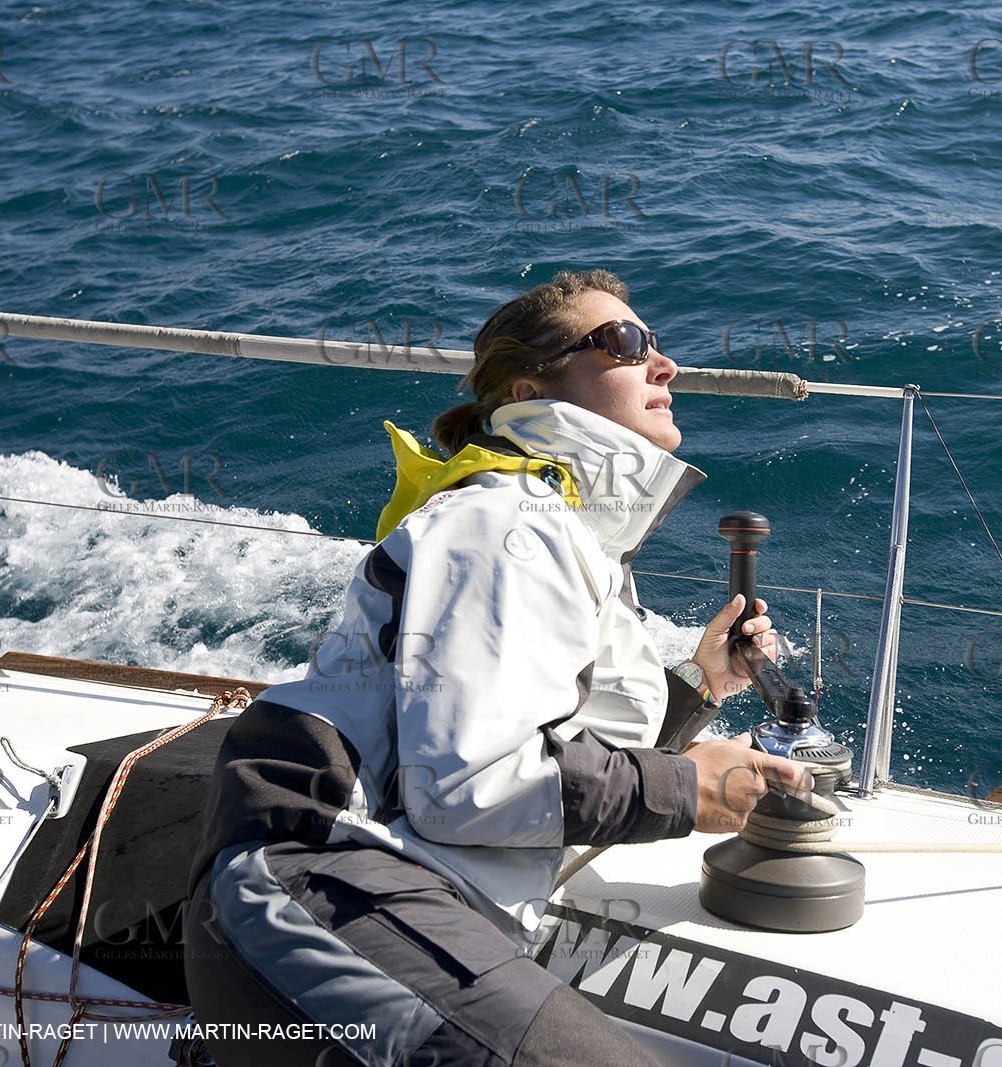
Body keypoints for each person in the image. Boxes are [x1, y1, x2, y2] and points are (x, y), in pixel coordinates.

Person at [184, 269, 812, 1066]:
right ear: (530, 386)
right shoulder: (506, 522)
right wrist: (690, 788)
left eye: (657, 343)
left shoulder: (570, 539)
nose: (664, 364)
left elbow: (545, 748)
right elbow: (471, 784)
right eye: (623, 343)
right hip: (319, 880)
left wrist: (700, 686)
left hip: (384, 896)